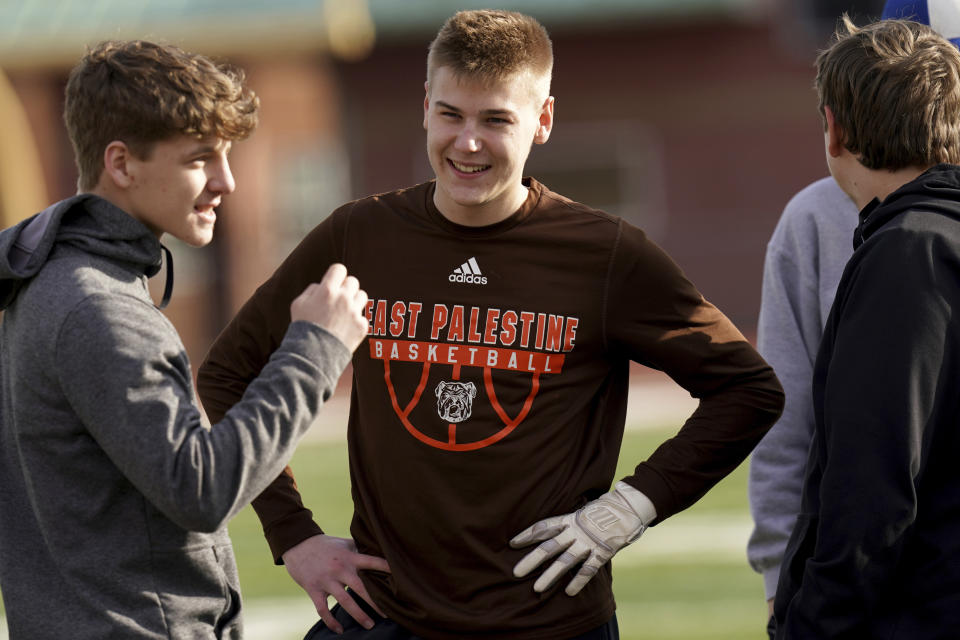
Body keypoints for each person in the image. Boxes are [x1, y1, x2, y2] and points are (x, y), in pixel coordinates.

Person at [198, 10, 784, 639]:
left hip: (550, 622)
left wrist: (629, 507)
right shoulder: (360, 235)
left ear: (544, 120)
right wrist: (294, 534)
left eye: (496, 119)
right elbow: (229, 372)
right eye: (450, 114)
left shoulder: (605, 254)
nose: (467, 142)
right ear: (425, 107)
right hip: (388, 614)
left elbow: (748, 390)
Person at [0, 40, 371, 639]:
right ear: (121, 164)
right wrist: (316, 348)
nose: (225, 181)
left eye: (225, 156)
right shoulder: (97, 308)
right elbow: (201, 488)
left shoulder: (51, 280)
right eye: (201, 158)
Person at [747, 0, 960, 620]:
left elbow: (873, 483)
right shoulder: (820, 219)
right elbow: (788, 426)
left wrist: (813, 620)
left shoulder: (908, 247)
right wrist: (777, 576)